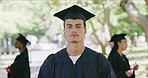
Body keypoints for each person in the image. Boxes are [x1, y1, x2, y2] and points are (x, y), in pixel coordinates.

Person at [38, 5, 116, 78]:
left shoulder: (99, 61)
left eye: (78, 26)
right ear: (64, 31)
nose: (74, 30)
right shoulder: (52, 62)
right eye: (69, 26)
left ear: (85, 30)